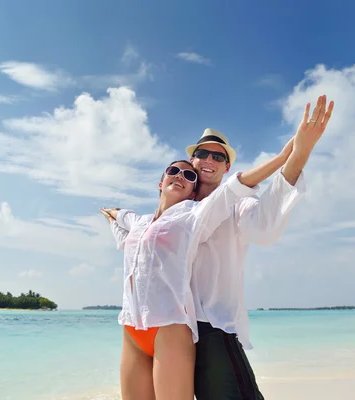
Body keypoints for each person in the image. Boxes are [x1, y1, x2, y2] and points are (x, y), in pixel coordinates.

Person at [104, 95, 334, 400]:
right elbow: (133, 231)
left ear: (227, 167)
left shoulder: (234, 205)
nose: (208, 161)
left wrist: (296, 156)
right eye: (202, 154)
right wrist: (115, 214)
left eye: (218, 157)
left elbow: (264, 225)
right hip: (158, 326)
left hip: (211, 328)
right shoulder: (168, 215)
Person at [99, 152, 303, 400]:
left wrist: (286, 156)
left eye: (188, 176)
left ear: (193, 191)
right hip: (131, 327)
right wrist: (111, 213)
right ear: (161, 182)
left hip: (170, 328)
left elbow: (232, 189)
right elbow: (121, 220)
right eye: (173, 171)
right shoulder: (139, 222)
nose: (180, 176)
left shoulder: (192, 217)